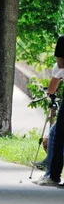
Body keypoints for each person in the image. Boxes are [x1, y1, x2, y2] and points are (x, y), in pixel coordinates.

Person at [36, 36, 64, 186]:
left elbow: (52, 89)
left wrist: (49, 93)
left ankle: (52, 175)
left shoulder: (59, 67)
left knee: (57, 134)